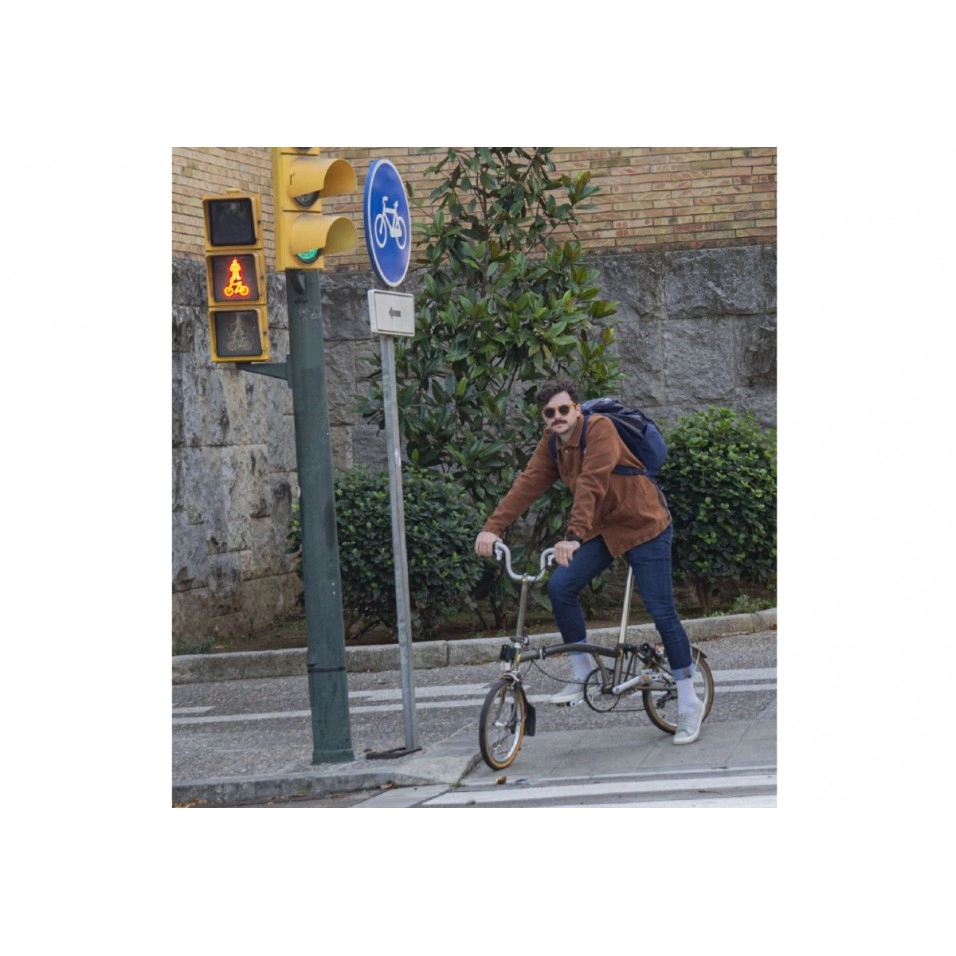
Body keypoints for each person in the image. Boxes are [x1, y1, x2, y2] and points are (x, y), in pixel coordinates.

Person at [474, 379, 705, 745]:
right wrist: (492, 528)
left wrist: (573, 536)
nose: (557, 417)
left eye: (564, 409)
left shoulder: (600, 429)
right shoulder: (552, 444)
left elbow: (592, 483)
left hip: (644, 524)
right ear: (544, 417)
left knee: (661, 610)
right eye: (549, 413)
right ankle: (582, 674)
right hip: (604, 529)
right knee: (560, 587)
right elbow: (527, 483)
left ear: (577, 409)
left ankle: (689, 702)